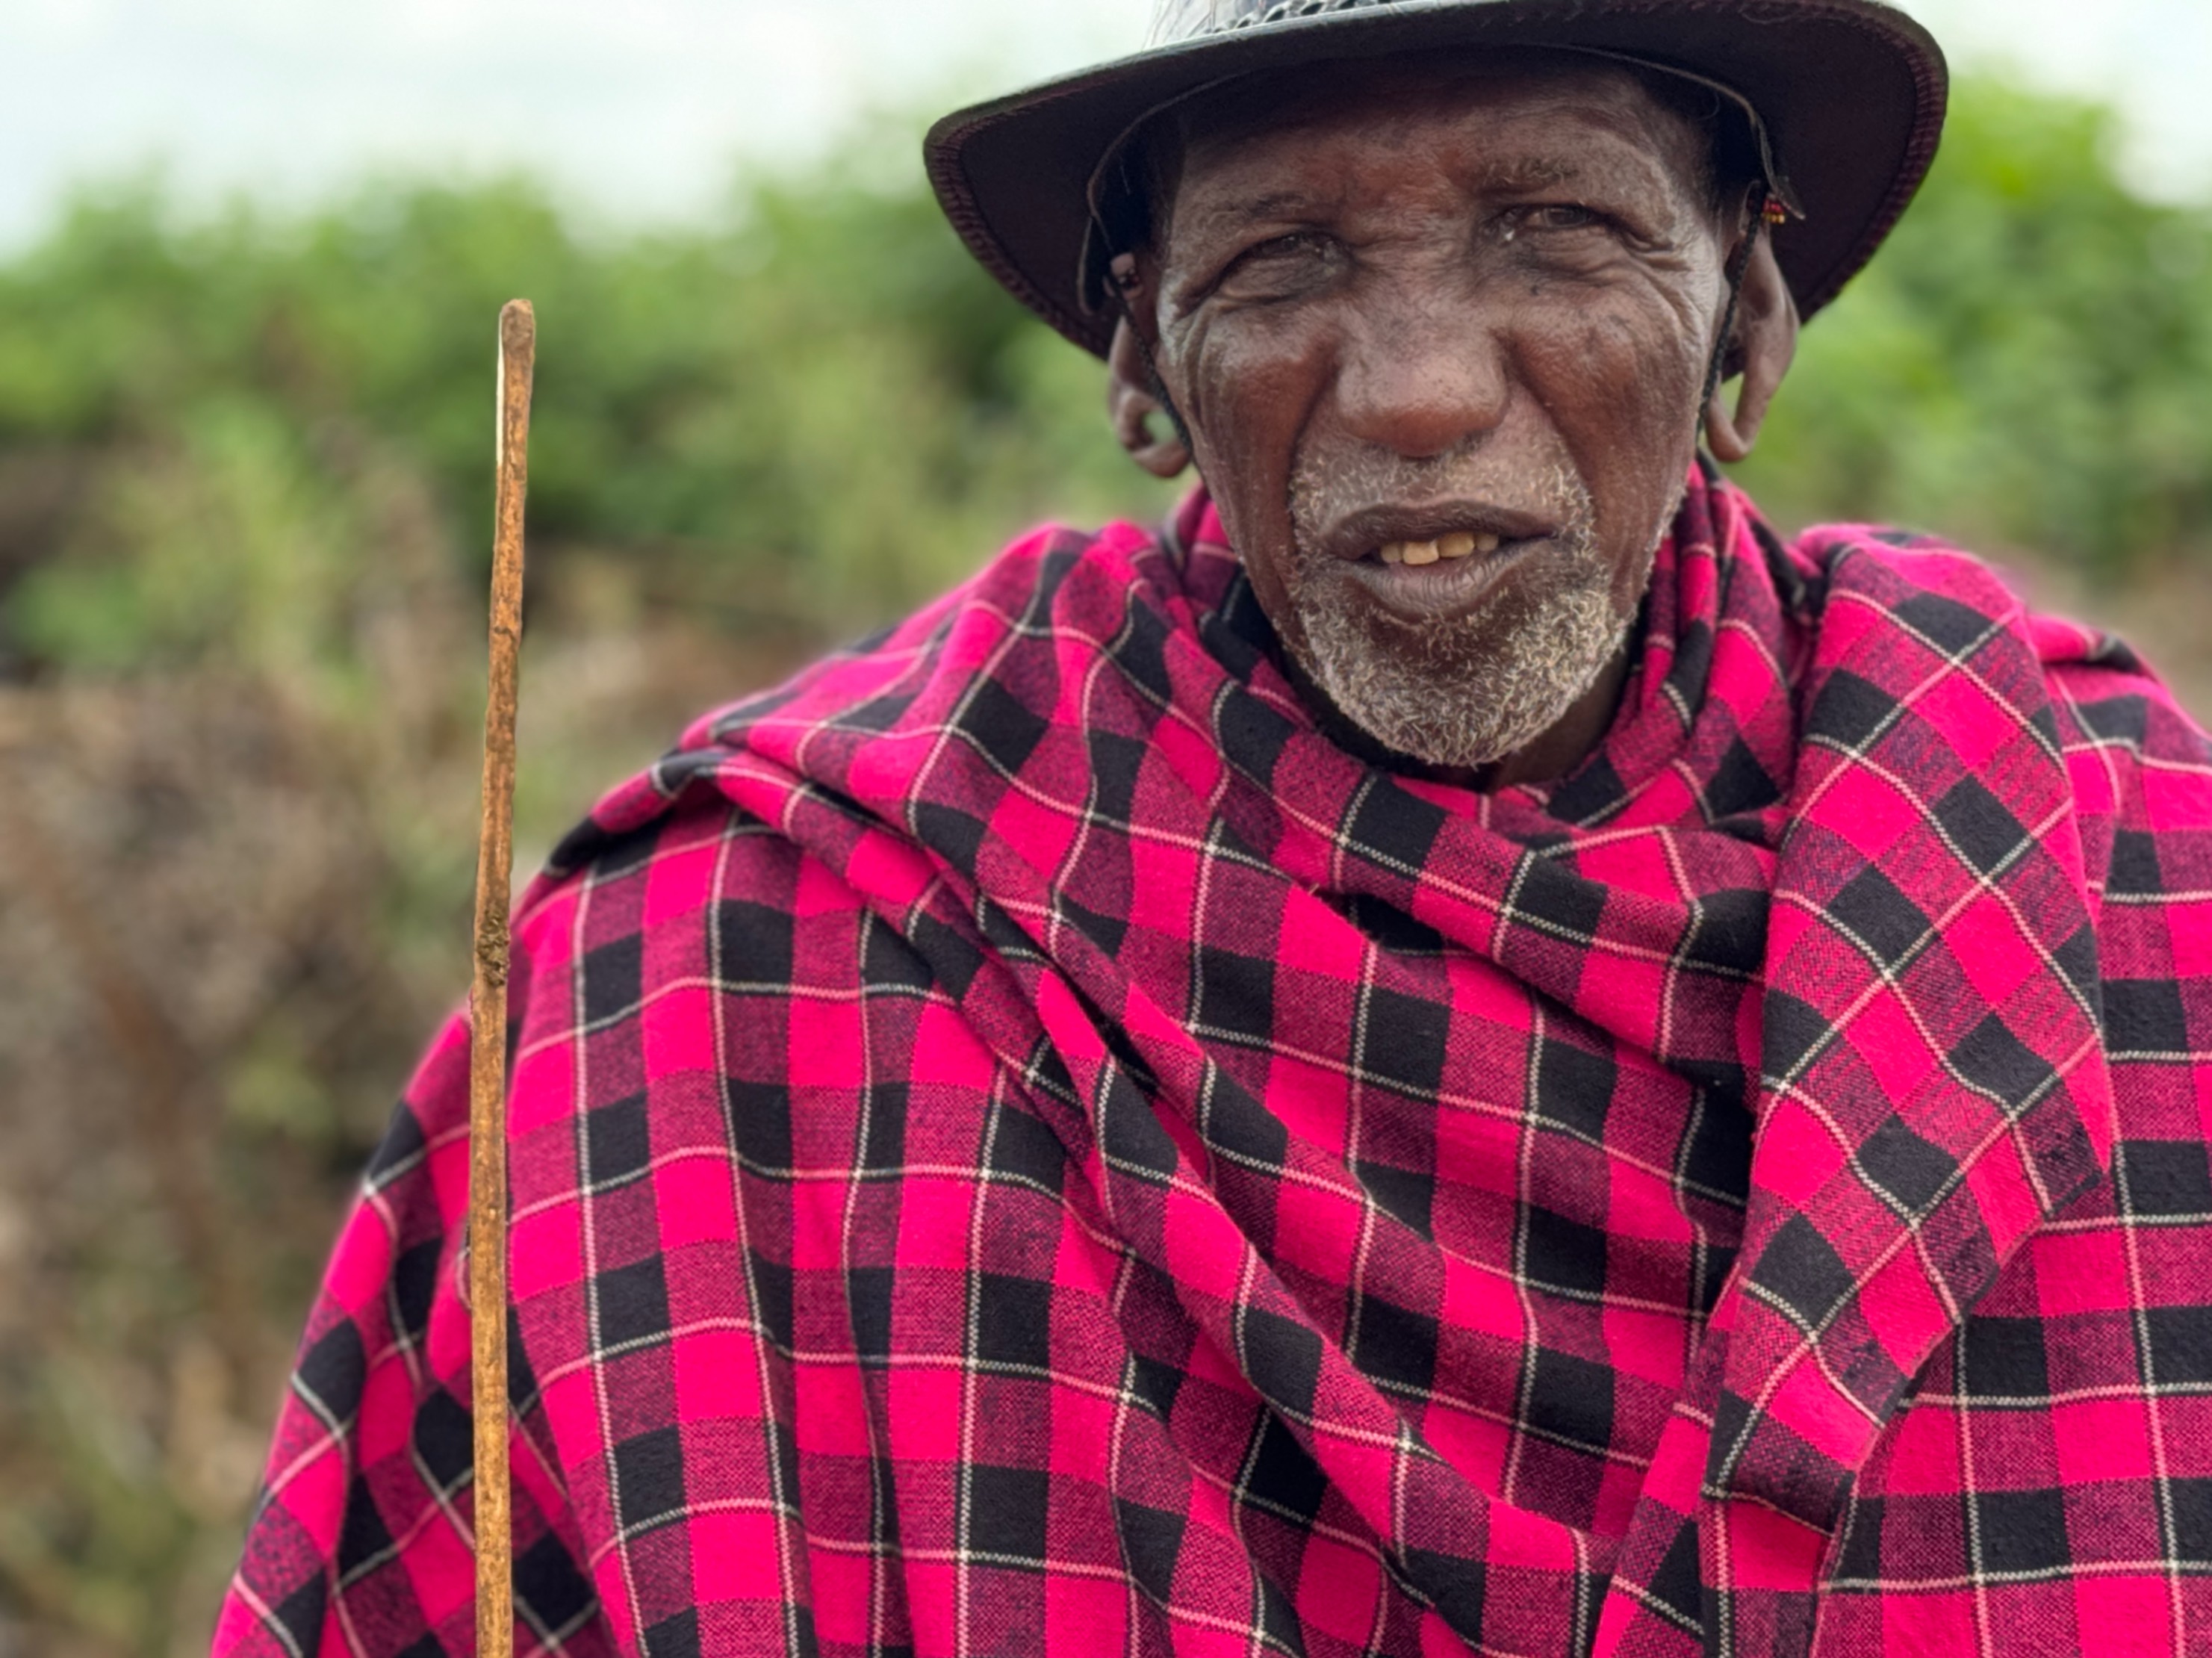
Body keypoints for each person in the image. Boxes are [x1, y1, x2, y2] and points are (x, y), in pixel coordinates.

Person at [216, 1, 2212, 1654]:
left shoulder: (2123, 878)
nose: (1420, 390)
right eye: (1281, 264)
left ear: (1745, 321)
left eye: (1553, 229)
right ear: (1137, 362)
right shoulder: (736, 959)